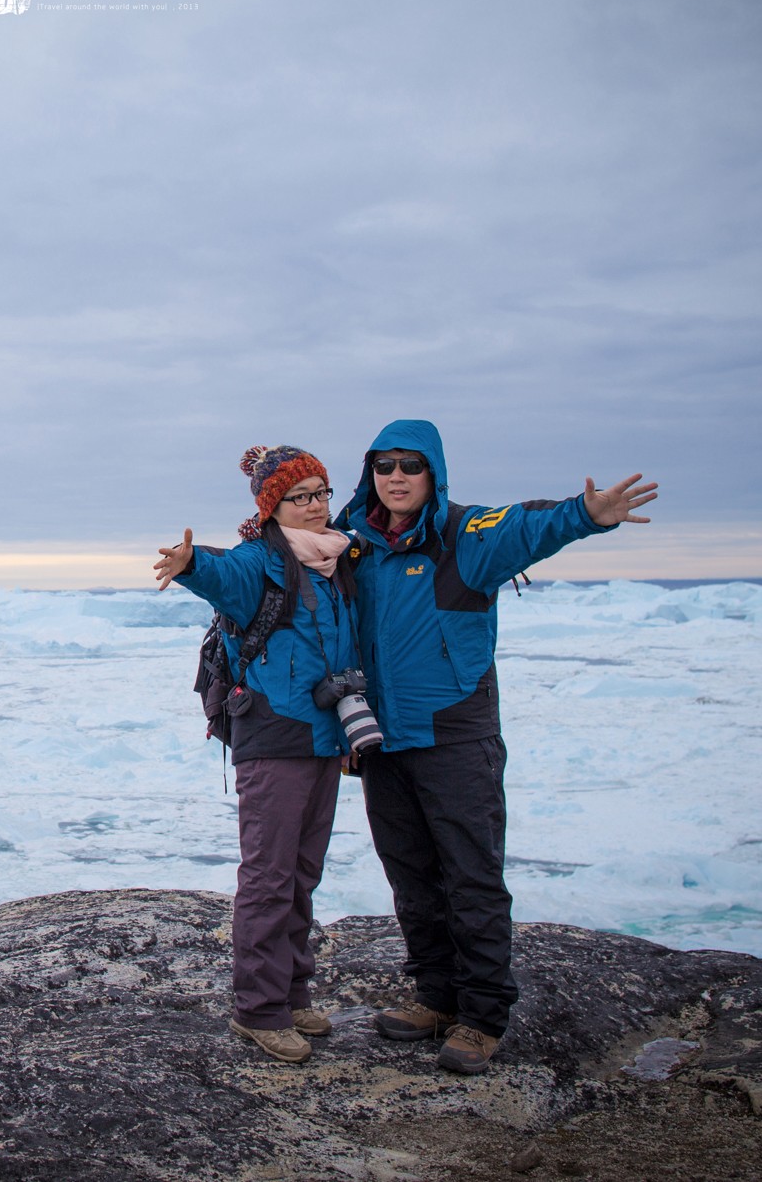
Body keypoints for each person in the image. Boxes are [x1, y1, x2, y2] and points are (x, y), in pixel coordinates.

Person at [336, 419, 656, 1075]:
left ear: (434, 473)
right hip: (383, 741)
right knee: (411, 877)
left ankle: (482, 1015)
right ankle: (435, 994)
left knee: (471, 876)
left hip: (455, 735)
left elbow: (526, 525)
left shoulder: (465, 537)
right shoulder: (355, 546)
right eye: (384, 464)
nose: (395, 476)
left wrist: (586, 514)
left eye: (410, 465)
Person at [152, 444, 364, 1065]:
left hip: (325, 736)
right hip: (274, 736)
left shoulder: (338, 562)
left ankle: (292, 993)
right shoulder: (259, 562)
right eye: (301, 496)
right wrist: (191, 562)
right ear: (273, 507)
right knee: (269, 875)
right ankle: (258, 1010)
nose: (316, 505)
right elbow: (220, 572)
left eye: (322, 492)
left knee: (302, 874)